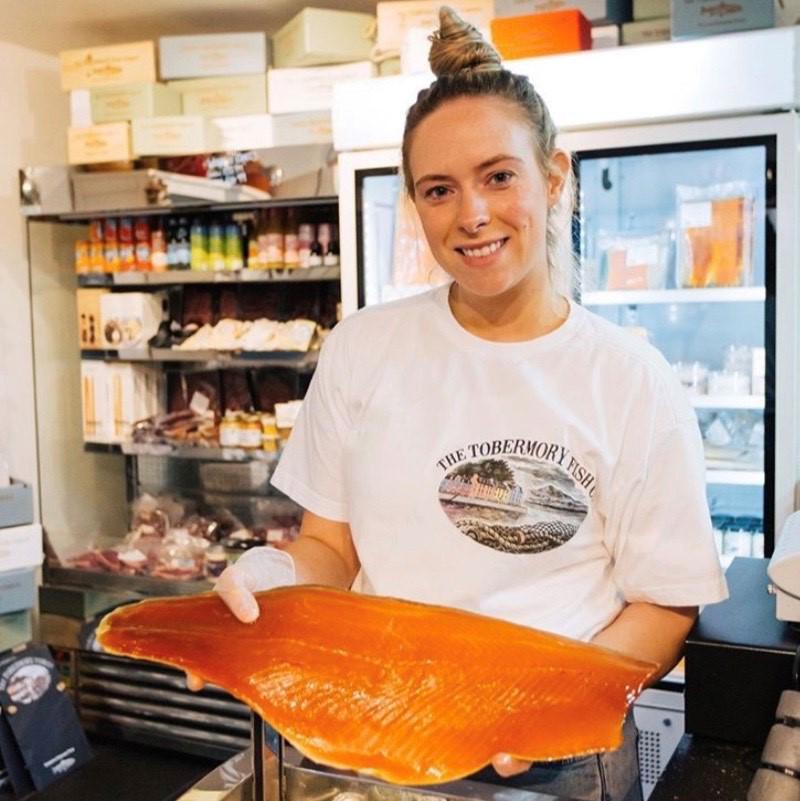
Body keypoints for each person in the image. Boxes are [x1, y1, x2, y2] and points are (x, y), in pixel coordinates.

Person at [190, 8, 728, 800]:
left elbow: (666, 602)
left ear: (553, 178)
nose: (472, 215)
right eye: (439, 190)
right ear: (416, 205)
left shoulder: (629, 379)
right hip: (372, 734)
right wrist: (275, 576)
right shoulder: (362, 348)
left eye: (498, 176)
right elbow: (331, 548)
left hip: (555, 763)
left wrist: (548, 709)